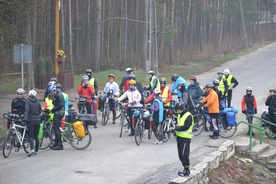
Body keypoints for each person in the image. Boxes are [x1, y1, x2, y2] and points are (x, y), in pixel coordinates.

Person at [171, 101, 194, 177]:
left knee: (184, 155)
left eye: (178, 110)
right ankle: (185, 168)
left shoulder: (188, 116)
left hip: (185, 138)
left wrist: (177, 129)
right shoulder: (179, 115)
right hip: (179, 137)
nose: (177, 111)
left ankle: (187, 170)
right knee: (180, 155)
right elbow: (179, 124)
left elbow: (186, 126)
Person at [24, 90, 41, 156]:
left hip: (31, 121)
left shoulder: (28, 102)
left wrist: (25, 118)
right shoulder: (38, 102)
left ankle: (32, 149)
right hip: (37, 121)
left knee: (31, 136)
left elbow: (26, 111)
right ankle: (37, 150)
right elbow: (40, 111)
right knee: (36, 136)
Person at [48, 85, 65, 150]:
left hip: (59, 113)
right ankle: (56, 143)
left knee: (56, 129)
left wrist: (53, 110)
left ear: (53, 91)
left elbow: (60, 105)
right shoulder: (57, 94)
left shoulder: (59, 95)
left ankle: (60, 145)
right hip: (58, 112)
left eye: (50, 92)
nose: (50, 94)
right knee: (55, 128)